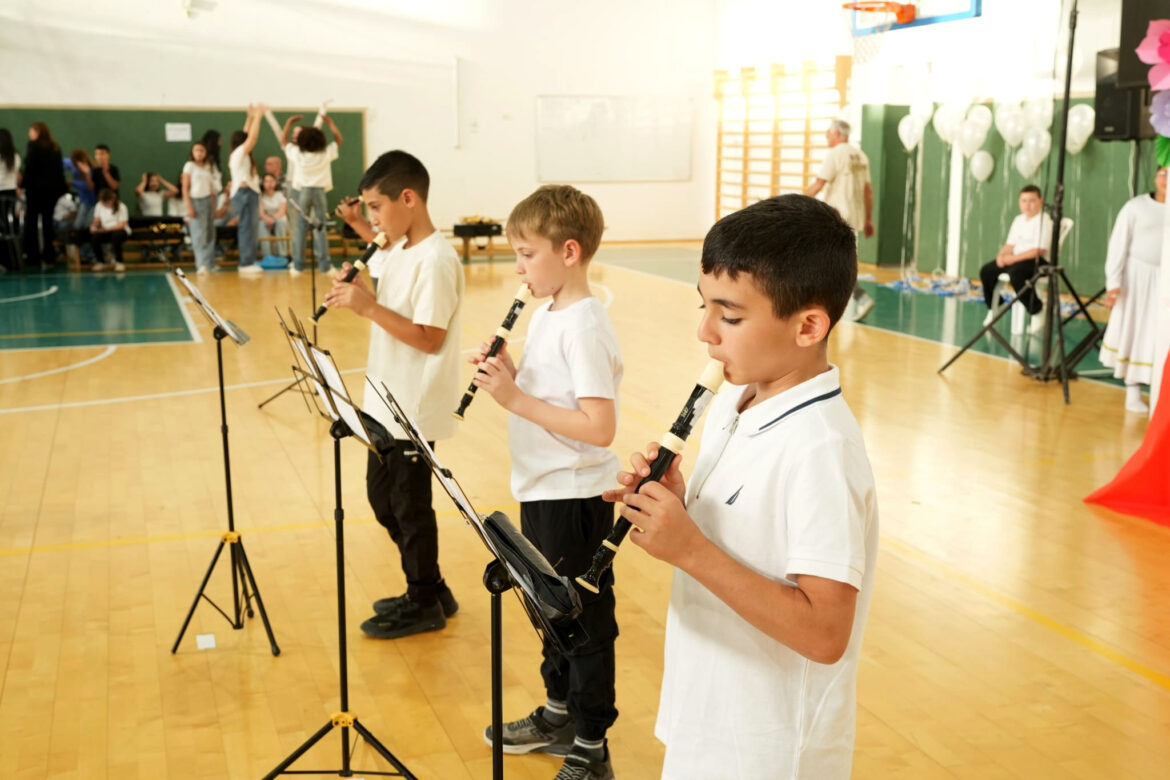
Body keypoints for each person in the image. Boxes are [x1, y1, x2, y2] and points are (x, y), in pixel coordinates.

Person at [604, 194, 878, 779]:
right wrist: (679, 508)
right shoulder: (737, 399)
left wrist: (689, 549)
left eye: (729, 316)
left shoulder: (822, 449)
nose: (704, 331)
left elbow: (826, 633)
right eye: (702, 305)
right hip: (710, 717)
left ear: (808, 326)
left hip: (767, 751)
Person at [470, 185, 622, 780]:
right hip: (542, 488)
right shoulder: (547, 313)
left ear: (569, 252)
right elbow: (546, 396)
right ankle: (559, 714)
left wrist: (512, 398)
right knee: (549, 612)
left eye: (526, 254)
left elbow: (599, 427)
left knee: (583, 622)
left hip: (574, 496)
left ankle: (591, 744)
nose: (518, 267)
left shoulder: (584, 326)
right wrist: (510, 374)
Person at [322, 150, 463, 639]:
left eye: (376, 207)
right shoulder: (401, 248)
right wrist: (364, 289)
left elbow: (429, 337)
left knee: (409, 508)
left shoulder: (437, 260)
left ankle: (423, 600)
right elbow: (392, 303)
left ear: (408, 199)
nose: (374, 219)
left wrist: (366, 307)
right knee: (384, 501)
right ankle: (434, 589)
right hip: (385, 399)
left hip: (413, 407)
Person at [1099, 167, 1167, 414]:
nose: (1166, 180)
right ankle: (1133, 391)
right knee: (1135, 330)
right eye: (1163, 174)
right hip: (1136, 278)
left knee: (1160, 334)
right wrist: (1113, 283)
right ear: (1155, 177)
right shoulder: (1136, 207)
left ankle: (1159, 393)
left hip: (1165, 281)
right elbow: (1118, 244)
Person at [806, 119, 875, 321]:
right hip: (853, 218)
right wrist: (868, 219)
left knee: (826, 260)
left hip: (835, 217)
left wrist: (793, 204)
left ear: (837, 134)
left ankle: (858, 298)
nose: (827, 136)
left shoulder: (835, 154)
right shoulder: (861, 156)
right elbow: (868, 191)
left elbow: (818, 185)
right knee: (836, 262)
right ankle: (849, 299)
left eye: (828, 133)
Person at [978, 185, 1054, 335]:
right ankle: (996, 306)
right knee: (987, 271)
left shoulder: (1044, 220)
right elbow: (1010, 244)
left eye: (1032, 200)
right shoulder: (1019, 220)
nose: (1027, 205)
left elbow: (1039, 250)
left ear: (1040, 201)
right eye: (1024, 201)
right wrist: (1001, 256)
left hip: (1037, 261)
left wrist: (1012, 259)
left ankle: (1037, 310)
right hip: (1016, 259)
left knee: (1016, 274)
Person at [284, 113, 343, 273]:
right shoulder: (325, 154)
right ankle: (325, 266)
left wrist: (288, 123)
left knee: (301, 229)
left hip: (303, 192)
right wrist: (330, 123)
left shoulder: (298, 154)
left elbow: (284, 142)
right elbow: (339, 140)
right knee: (320, 228)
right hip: (319, 192)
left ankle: (298, 266)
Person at [21, 122, 67, 269]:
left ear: (37, 131)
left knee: (32, 223)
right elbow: (59, 170)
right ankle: (49, 255)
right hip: (51, 192)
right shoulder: (55, 147)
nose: (29, 134)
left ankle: (32, 256)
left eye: (31, 131)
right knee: (48, 223)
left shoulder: (33, 146)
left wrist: (23, 185)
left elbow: (30, 168)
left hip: (35, 191)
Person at [227, 105, 264, 275]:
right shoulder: (239, 153)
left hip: (247, 193)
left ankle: (247, 261)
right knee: (247, 229)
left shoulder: (239, 153)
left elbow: (247, 134)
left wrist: (250, 118)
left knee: (250, 228)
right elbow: (253, 137)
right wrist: (258, 116)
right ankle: (246, 263)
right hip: (245, 194)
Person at [182, 141, 217, 274]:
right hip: (195, 201)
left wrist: (214, 206)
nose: (199, 153)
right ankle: (201, 264)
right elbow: (185, 188)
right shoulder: (189, 166)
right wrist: (189, 206)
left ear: (205, 152)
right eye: (196, 150)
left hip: (208, 201)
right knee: (199, 234)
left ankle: (210, 264)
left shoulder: (208, 167)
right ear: (192, 152)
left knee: (210, 233)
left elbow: (211, 188)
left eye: (202, 150)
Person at [89, 187, 130, 272]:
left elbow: (122, 225)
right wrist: (93, 226)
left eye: (106, 202)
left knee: (116, 236)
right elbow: (97, 220)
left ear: (112, 199)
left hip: (120, 231)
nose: (104, 204)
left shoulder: (122, 206)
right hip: (106, 231)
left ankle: (119, 262)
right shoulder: (99, 205)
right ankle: (100, 262)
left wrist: (107, 229)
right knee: (95, 237)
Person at [258, 172, 289, 258]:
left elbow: (282, 211)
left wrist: (272, 219)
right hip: (266, 220)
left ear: (275, 183)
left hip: (278, 218)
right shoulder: (260, 197)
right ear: (263, 183)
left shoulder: (280, 195)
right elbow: (261, 213)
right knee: (261, 223)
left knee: (282, 221)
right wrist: (268, 219)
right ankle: (266, 256)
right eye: (266, 181)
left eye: (271, 181)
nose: (269, 184)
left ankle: (282, 254)